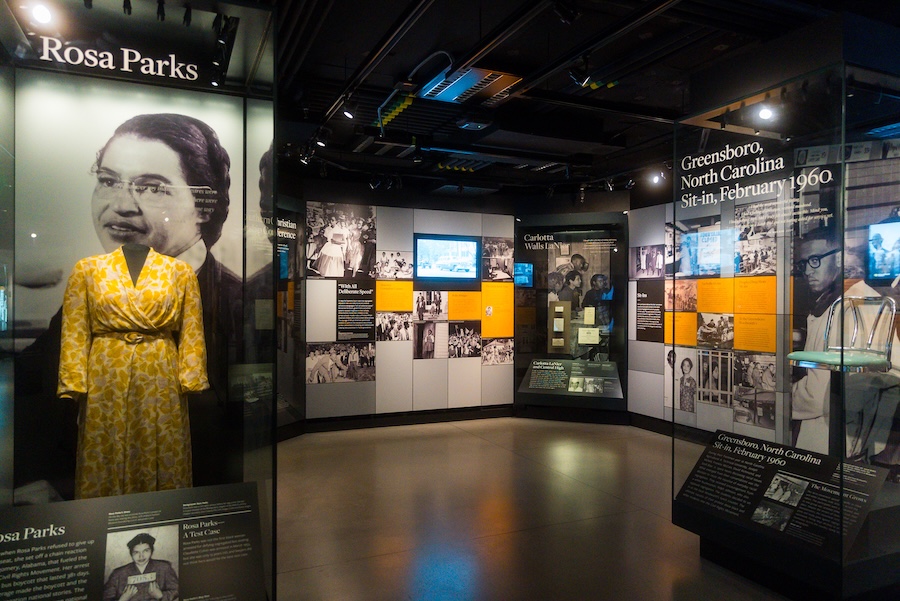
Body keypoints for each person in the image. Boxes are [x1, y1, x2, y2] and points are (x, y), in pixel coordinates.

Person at [103, 533, 178, 601]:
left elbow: (177, 590)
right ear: (131, 554)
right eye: (136, 552)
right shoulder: (118, 574)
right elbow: (105, 597)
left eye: (145, 551)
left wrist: (161, 595)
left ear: (151, 551)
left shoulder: (164, 568)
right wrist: (123, 599)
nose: (141, 556)